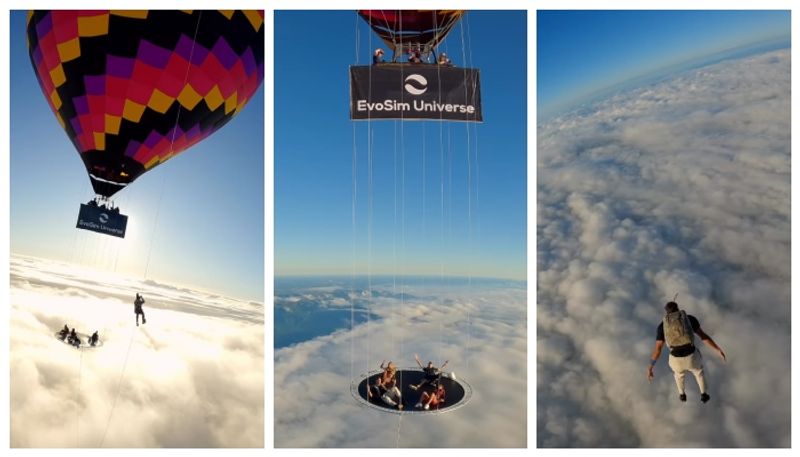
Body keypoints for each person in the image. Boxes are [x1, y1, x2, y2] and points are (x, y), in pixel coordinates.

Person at [647, 301, 726, 403]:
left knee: (678, 375)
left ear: (666, 312)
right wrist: (718, 350)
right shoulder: (690, 319)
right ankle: (704, 395)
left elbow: (658, 349)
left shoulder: (662, 326)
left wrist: (650, 367)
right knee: (698, 372)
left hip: (676, 360)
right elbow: (703, 336)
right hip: (692, 357)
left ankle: (682, 395)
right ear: (678, 309)